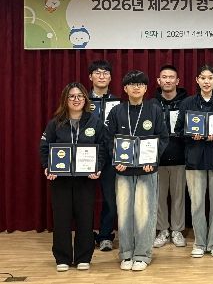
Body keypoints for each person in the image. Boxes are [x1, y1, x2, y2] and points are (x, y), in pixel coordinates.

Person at [106, 70, 169, 272]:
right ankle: (126, 253)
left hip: (146, 170)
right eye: (132, 84)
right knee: (124, 213)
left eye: (140, 84)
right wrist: (117, 160)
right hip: (123, 171)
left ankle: (142, 254)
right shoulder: (117, 111)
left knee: (145, 213)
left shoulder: (154, 110)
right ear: (125, 88)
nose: (136, 87)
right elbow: (109, 139)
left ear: (146, 88)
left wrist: (153, 160)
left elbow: (163, 137)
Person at [39, 82, 105, 272]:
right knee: (61, 219)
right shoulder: (55, 123)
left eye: (80, 96)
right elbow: (44, 147)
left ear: (85, 99)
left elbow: (102, 148)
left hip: (86, 179)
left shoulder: (95, 122)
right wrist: (47, 167)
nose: (76, 100)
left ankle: (84, 257)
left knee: (85, 218)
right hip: (61, 180)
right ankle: (63, 257)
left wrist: (98, 168)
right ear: (65, 100)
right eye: (72, 96)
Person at [175, 65, 213, 258]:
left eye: (210, 78)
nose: (206, 82)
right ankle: (199, 242)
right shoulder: (187, 103)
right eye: (203, 78)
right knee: (197, 204)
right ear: (197, 80)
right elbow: (179, 130)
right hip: (195, 159)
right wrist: (191, 135)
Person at [153, 65, 189, 249]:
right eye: (164, 77)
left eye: (171, 77)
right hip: (157, 159)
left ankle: (177, 230)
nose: (167, 80)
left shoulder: (186, 103)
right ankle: (162, 230)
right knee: (159, 198)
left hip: (180, 157)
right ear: (159, 81)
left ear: (177, 81)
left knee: (178, 197)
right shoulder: (151, 104)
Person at [88, 60, 117, 251]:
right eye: (97, 73)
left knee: (110, 199)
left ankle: (105, 235)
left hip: (110, 156)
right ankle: (86, 234)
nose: (101, 76)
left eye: (105, 73)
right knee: (84, 198)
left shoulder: (118, 102)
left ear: (110, 78)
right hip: (87, 155)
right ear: (90, 77)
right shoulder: (81, 100)